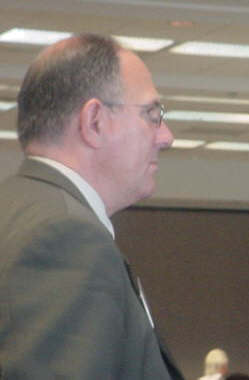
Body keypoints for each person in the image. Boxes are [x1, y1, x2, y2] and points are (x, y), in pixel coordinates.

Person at [0, 34, 184, 379]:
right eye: (152, 113)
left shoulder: (17, 211)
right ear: (95, 121)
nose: (166, 136)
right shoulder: (66, 238)